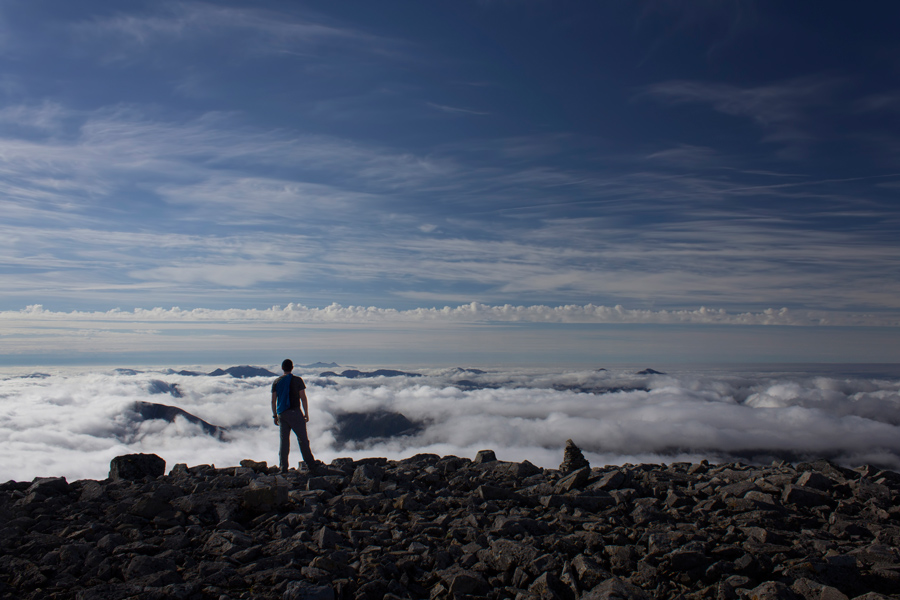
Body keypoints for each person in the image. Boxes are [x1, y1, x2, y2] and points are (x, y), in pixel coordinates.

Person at [271, 359, 319, 474]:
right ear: (292, 368)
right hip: (295, 413)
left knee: (284, 441)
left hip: (282, 414)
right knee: (303, 439)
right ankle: (311, 465)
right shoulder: (297, 380)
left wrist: (275, 416)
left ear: (282, 368)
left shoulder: (277, 382)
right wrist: (306, 413)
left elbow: (273, 401)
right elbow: (303, 398)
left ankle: (283, 468)